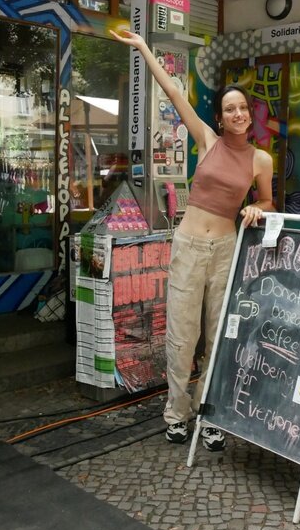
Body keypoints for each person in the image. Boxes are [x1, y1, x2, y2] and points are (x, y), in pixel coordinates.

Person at [111, 29, 274, 452]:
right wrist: (143, 47)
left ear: (250, 115)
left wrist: (257, 209)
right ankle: (177, 414)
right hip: (188, 247)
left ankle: (210, 414)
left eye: (243, 108)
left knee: (219, 335)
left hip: (226, 251)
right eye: (229, 109)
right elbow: (172, 91)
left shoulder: (261, 159)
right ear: (219, 118)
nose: (237, 114)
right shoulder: (207, 140)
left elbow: (269, 200)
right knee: (182, 337)